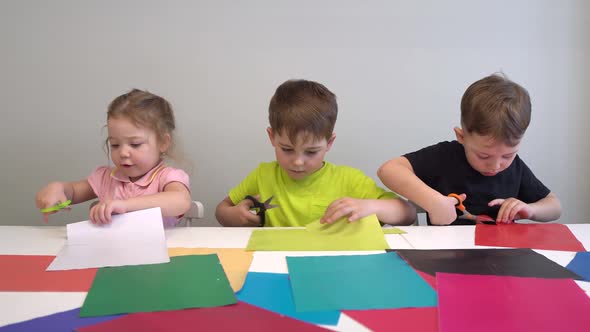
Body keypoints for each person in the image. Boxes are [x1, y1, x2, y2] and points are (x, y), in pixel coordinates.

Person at [216, 79, 416, 227]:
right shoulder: (263, 174)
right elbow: (221, 210)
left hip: (332, 265)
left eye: (311, 152)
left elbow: (408, 213)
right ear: (272, 137)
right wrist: (233, 215)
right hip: (275, 262)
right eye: (286, 149)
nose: (298, 162)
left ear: (329, 143)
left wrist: (373, 207)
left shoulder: (349, 179)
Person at [378, 73, 561, 225]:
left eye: (508, 155)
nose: (496, 165)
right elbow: (388, 170)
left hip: (502, 258)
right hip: (447, 258)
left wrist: (530, 210)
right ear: (461, 136)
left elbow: (554, 207)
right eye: (483, 155)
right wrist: (433, 201)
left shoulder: (516, 168)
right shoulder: (445, 157)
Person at [35, 89, 192, 226]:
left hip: (162, 254)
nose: (123, 153)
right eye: (115, 145)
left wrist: (125, 205)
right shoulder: (106, 178)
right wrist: (57, 189)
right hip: (112, 254)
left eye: (135, 144)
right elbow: (72, 192)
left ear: (163, 143)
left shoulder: (167, 177)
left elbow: (181, 201)